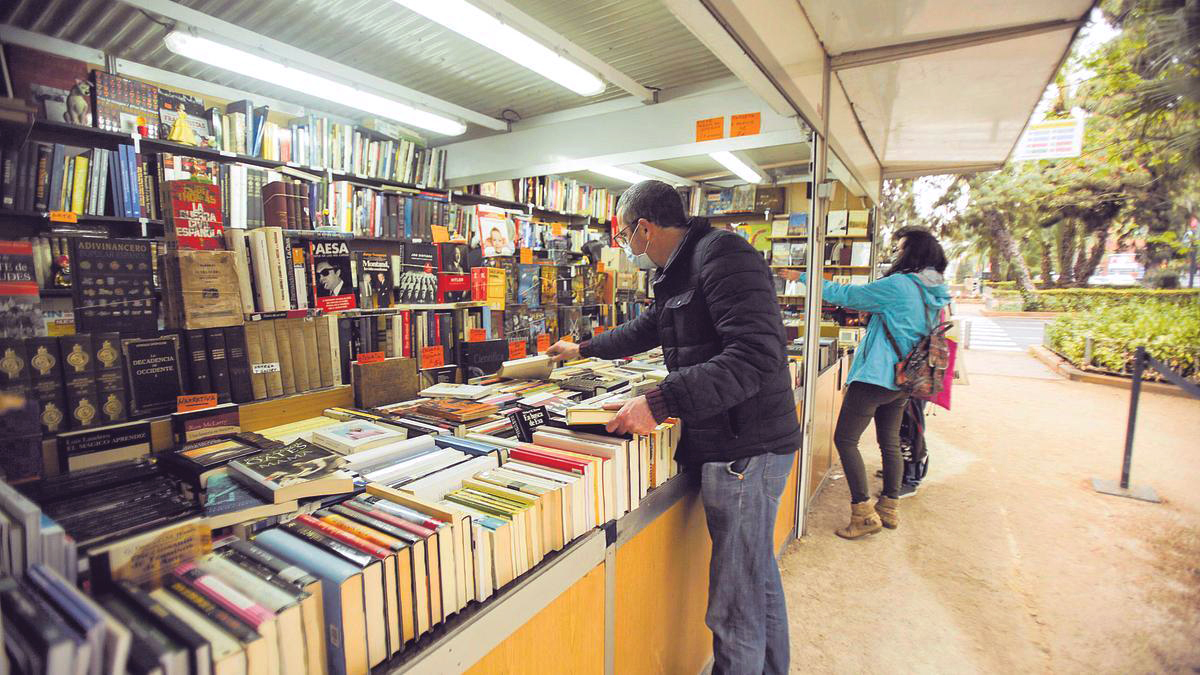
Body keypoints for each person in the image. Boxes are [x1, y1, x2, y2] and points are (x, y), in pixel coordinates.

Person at [546, 180, 800, 675]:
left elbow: (755, 356)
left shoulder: (722, 256)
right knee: (756, 580)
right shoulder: (681, 269)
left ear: (644, 228)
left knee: (735, 603)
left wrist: (661, 401)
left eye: (624, 236)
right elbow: (649, 327)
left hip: (747, 447)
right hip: (736, 442)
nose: (625, 246)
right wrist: (584, 349)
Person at [794, 228, 950, 538]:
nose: (897, 254)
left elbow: (847, 296)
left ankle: (863, 512)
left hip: (876, 375)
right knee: (889, 441)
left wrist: (804, 277)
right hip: (905, 378)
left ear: (913, 253)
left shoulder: (900, 285)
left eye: (901, 249)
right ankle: (889, 507)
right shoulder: (935, 291)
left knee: (845, 440)